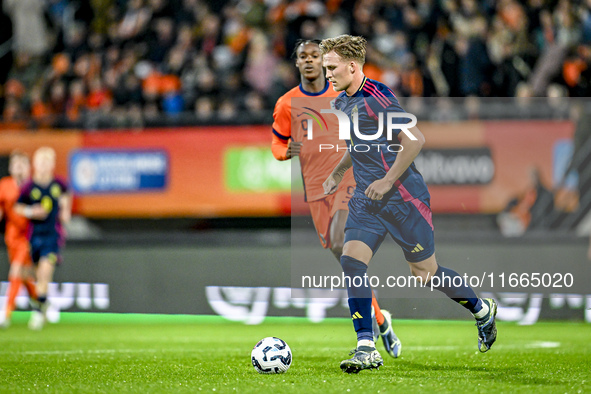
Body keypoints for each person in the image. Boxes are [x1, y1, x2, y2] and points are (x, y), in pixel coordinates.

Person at [320, 35, 498, 373]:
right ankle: (365, 346)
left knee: (425, 273)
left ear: (352, 66)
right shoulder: (342, 102)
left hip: (403, 198)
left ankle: (482, 310)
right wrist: (337, 172)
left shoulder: (378, 97)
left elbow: (415, 139)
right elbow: (358, 144)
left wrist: (387, 180)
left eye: (331, 68)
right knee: (351, 260)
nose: (327, 74)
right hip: (367, 198)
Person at [271, 39, 401, 358]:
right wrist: (286, 151)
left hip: (348, 178)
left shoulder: (341, 92)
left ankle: (364, 339)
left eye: (316, 55)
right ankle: (381, 320)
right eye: (304, 56)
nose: (311, 61)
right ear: (298, 63)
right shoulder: (287, 103)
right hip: (316, 191)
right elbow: (276, 145)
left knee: (342, 242)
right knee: (346, 260)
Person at [15, 147, 71, 330]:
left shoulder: (58, 184)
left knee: (45, 272)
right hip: (33, 236)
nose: (44, 166)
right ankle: (43, 303)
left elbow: (66, 195)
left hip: (52, 236)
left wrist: (65, 210)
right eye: (41, 162)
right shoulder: (29, 187)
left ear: (53, 165)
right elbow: (17, 207)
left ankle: (38, 313)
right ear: (35, 165)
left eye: (48, 162)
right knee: (29, 275)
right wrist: (32, 211)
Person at [0, 151, 38, 328]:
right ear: (10, 167)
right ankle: (39, 304)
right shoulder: (4, 185)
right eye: (16, 164)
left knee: (15, 270)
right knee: (23, 276)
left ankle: (6, 313)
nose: (19, 168)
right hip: (12, 236)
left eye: (22, 164)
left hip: (28, 236)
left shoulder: (33, 186)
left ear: (28, 167)